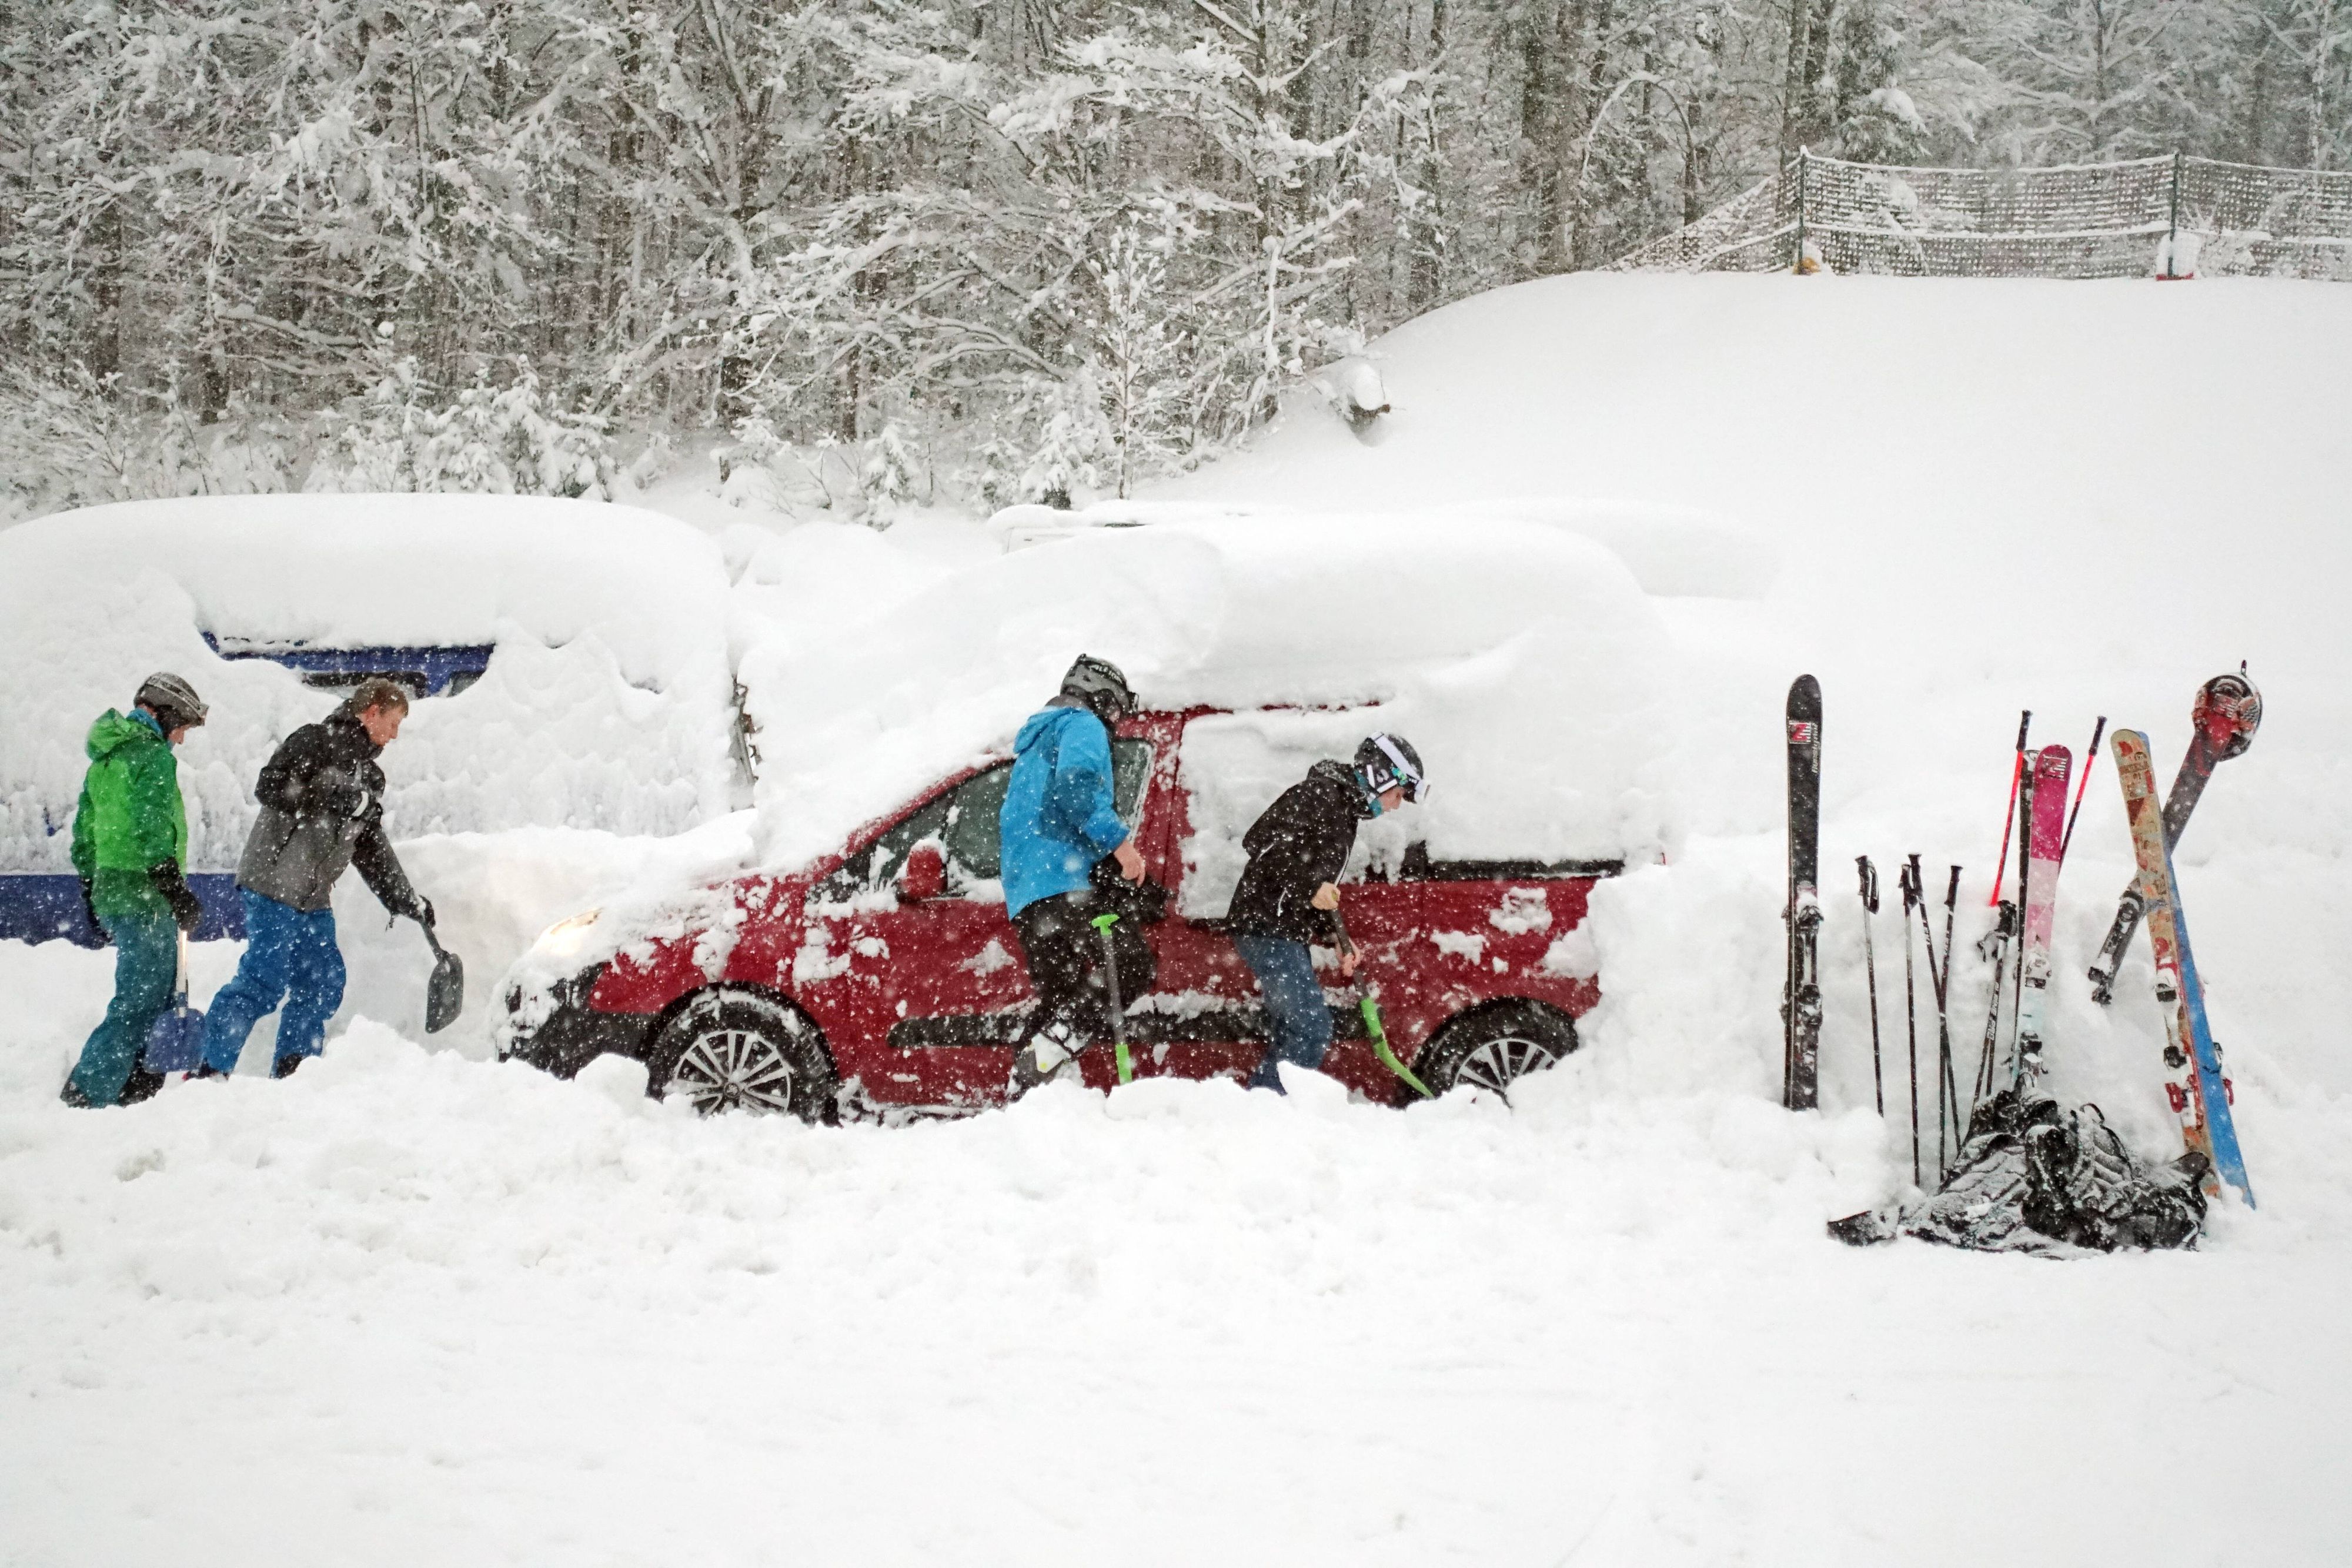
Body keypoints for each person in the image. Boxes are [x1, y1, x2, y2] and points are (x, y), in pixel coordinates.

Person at [198, 678, 435, 1079]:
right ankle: (211, 1070)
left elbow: (370, 847)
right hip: (274, 882)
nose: (395, 735)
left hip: (313, 896)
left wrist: (405, 899)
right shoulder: (315, 742)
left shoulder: (370, 778)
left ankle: (295, 1073)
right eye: (393, 723)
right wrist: (325, 798)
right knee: (263, 981)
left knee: (323, 982)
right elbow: (270, 786)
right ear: (372, 712)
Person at [1225, 734, 1425, 1092]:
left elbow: (1316, 889)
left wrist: (1336, 938)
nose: (1396, 806)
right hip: (1265, 925)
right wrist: (1310, 888)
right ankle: (1266, 1110)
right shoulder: (1319, 795)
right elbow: (1261, 842)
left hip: (1284, 929)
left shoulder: (1344, 811)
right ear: (1380, 777)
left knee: (1294, 1029)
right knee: (1310, 1028)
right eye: (1398, 795)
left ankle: (1268, 1104)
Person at [998, 654, 1147, 1099]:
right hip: (1063, 881)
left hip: (1029, 892)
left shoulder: (1036, 741)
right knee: (1132, 966)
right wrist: (1121, 847)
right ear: (1096, 697)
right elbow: (1075, 789)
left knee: (1061, 997)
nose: (1115, 721)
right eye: (1114, 708)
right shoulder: (1083, 725)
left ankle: (1028, 1090)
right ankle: (1046, 1054)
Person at [61, 673, 211, 1108]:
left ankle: (139, 1089)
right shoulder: (151, 756)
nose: (181, 738)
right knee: (140, 1001)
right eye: (181, 726)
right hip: (144, 893)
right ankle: (86, 1093)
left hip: (115, 889)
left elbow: (85, 832)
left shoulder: (106, 758)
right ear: (164, 714)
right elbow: (151, 825)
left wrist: (91, 888)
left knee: (160, 993)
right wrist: (173, 887)